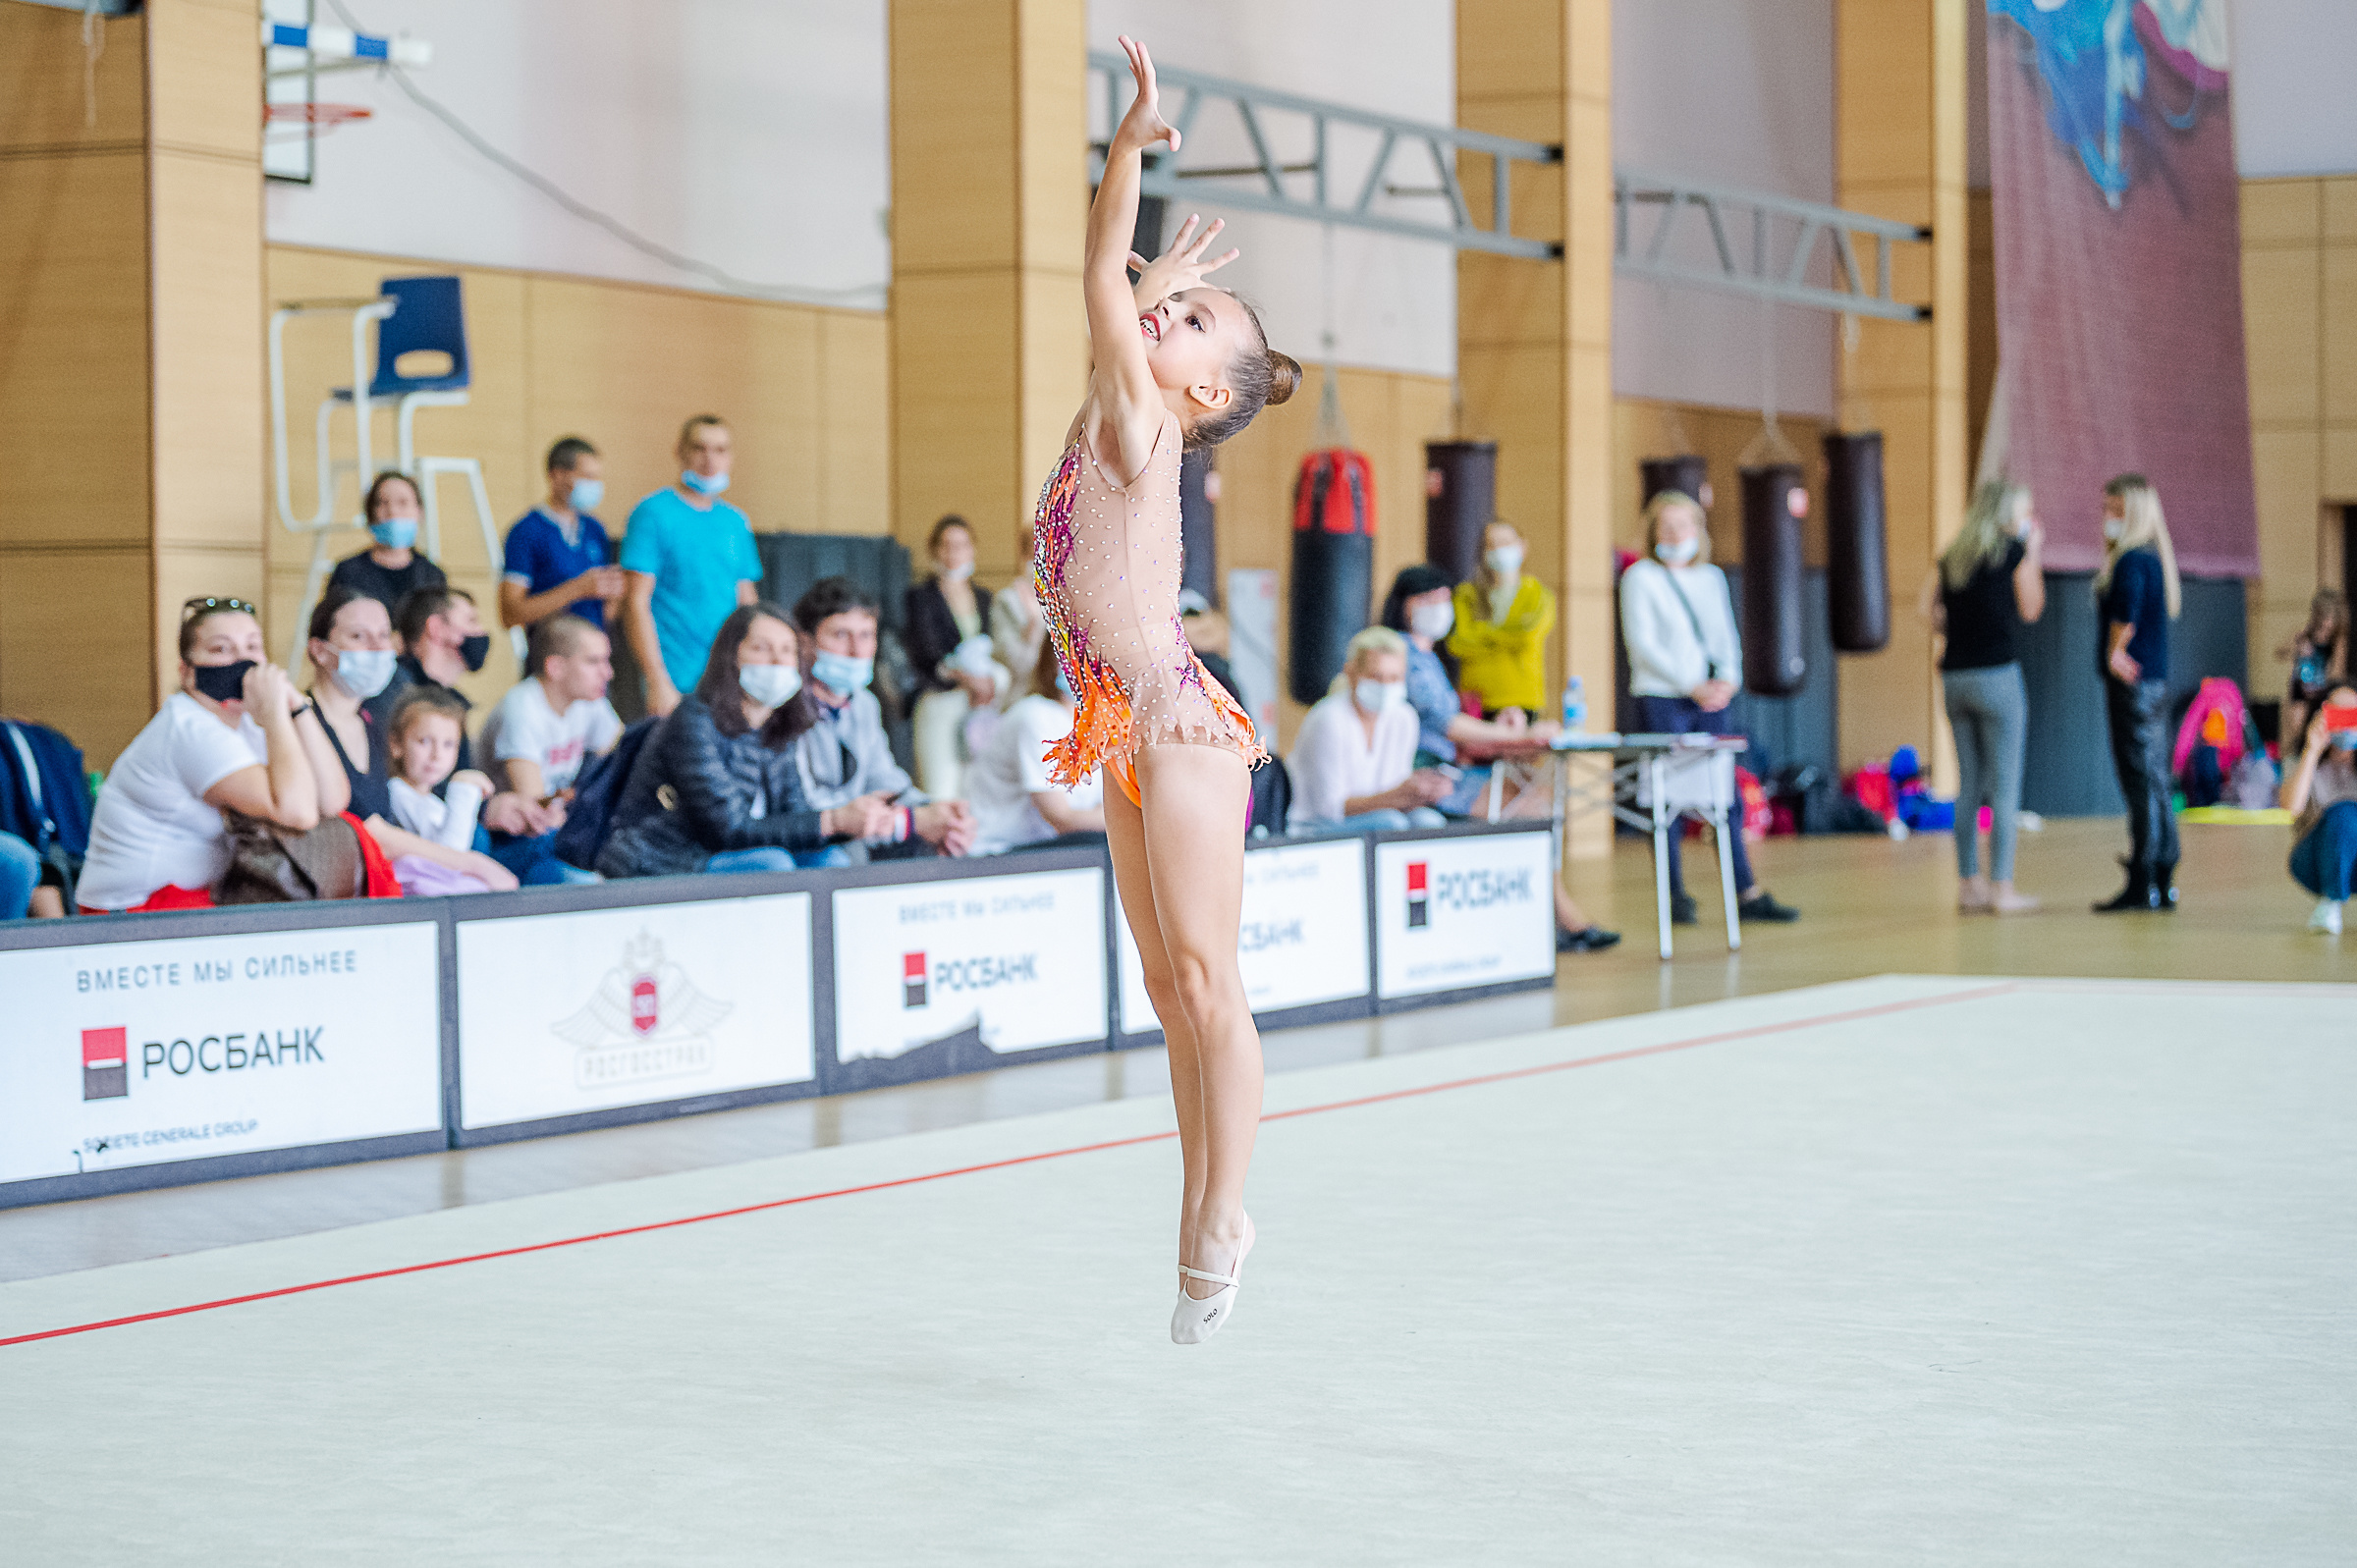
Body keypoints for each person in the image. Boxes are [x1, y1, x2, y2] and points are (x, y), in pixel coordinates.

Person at [1040, 38, 1300, 1342]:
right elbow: (1113, 297)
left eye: (1195, 324)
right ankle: (1198, 1204)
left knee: (1209, 981)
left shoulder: (1147, 428)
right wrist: (1155, 286)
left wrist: (1131, 146)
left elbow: (1096, 280)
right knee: (1164, 989)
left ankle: (1227, 1209)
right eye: (1178, 309)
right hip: (1125, 732)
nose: (1164, 314)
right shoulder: (1123, 410)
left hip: (1181, 729)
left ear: (1202, 392)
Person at [1382, 565, 1620, 952]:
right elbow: (1447, 725)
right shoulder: (1400, 653)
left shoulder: (1430, 656)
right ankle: (1561, 916)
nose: (1439, 608)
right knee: (1532, 805)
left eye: (1444, 600)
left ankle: (1553, 913)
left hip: (1448, 765)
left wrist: (1505, 729)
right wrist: (1518, 735)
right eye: (1429, 600)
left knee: (1533, 796)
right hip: (1424, 773)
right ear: (1405, 604)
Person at [78, 597, 344, 911]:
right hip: (132, 907)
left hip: (200, 898)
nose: (243, 661)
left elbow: (332, 801)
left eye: (252, 648)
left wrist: (297, 707)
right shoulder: (189, 728)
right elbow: (298, 813)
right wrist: (275, 716)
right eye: (221, 649)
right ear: (187, 673)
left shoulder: (244, 723)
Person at [596, 603, 897, 878]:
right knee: (773, 865)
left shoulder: (777, 725)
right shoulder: (692, 719)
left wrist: (853, 823)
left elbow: (794, 815)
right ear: (732, 657)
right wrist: (832, 820)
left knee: (831, 859)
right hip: (660, 857)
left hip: (724, 854)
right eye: (762, 648)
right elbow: (727, 830)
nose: (778, 661)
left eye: (787, 651)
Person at [1618, 491, 1801, 925]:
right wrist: (1691, 684)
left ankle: (1746, 890)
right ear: (1654, 532)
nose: (1677, 534)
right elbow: (1642, 645)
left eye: (1685, 526)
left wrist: (1726, 683)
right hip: (1661, 697)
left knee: (1723, 796)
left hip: (1711, 699)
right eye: (1667, 527)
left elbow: (1724, 638)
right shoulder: (1640, 577)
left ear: (1698, 531)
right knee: (1664, 799)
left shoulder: (1711, 578)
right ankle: (1674, 893)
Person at [304, 586, 517, 892]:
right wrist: (470, 863)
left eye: (383, 635)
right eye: (358, 637)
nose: (377, 648)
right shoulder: (304, 721)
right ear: (319, 650)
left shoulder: (370, 721)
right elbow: (368, 830)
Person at [791, 577, 975, 861]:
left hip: (865, 829)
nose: (857, 650)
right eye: (841, 635)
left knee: (942, 842)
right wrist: (904, 820)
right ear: (805, 642)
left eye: (866, 635)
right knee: (845, 853)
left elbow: (884, 779)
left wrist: (936, 812)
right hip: (812, 839)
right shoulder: (785, 705)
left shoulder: (864, 703)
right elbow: (802, 805)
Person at [1927, 481, 2047, 915]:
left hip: (1956, 678)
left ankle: (1968, 884)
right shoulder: (2011, 552)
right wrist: (2031, 552)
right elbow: (2031, 608)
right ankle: (2002, 887)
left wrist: (1959, 631)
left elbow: (1929, 610)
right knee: (2005, 785)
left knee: (1968, 785)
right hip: (1997, 676)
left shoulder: (1952, 556)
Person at [374, 585, 547, 841]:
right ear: (436, 628)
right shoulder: (394, 694)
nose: (481, 632)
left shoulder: (451, 701)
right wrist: (484, 809)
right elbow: (414, 780)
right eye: (471, 621)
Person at [622, 414, 763, 719]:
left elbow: (747, 600)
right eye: (700, 448)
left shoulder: (735, 521)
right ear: (680, 451)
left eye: (721, 450)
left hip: (729, 677)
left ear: (731, 457)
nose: (710, 459)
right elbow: (636, 602)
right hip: (675, 679)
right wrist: (656, 679)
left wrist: (758, 664)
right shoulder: (653, 513)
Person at [2092, 472, 2182, 913]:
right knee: (2155, 778)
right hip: (2155, 682)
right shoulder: (2153, 559)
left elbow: (2125, 610)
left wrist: (2113, 652)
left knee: (2140, 780)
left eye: (2114, 509)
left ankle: (2144, 874)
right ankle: (2162, 871)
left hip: (2134, 686)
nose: (2106, 518)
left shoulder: (2130, 561)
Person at [477, 616, 622, 885]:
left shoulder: (590, 700)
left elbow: (623, 760)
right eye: (593, 662)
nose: (608, 672)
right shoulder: (522, 708)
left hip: (558, 832)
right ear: (555, 667)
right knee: (597, 883)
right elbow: (537, 811)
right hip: (514, 842)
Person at [1287, 627, 1449, 834]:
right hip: (1317, 825)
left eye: (1394, 678)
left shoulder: (1405, 718)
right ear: (1351, 673)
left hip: (1381, 815)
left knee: (1429, 822)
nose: (1385, 686)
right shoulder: (1328, 719)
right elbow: (1330, 808)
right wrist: (1399, 795)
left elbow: (1395, 790)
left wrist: (1422, 792)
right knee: (1391, 824)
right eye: (1376, 676)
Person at [964, 641, 1106, 855]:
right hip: (1001, 849)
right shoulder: (1037, 715)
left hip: (1051, 846)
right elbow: (1061, 818)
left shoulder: (1099, 726)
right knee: (1107, 842)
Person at [904, 514, 1010, 797]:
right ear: (934, 550)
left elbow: (997, 649)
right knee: (941, 789)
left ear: (972, 549)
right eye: (946, 545)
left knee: (975, 789)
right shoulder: (920, 597)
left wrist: (988, 680)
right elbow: (925, 653)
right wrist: (965, 677)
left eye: (961, 545)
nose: (954, 553)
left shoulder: (985, 597)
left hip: (980, 705)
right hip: (941, 698)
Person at [501, 436, 625, 633]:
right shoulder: (526, 531)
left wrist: (616, 592)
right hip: (549, 651)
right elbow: (510, 614)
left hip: (594, 648)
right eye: (587, 477)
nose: (595, 486)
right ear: (558, 475)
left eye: (597, 477)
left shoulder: (594, 528)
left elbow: (607, 613)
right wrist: (577, 589)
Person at [383, 687, 498, 895]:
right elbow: (450, 857)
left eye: (448, 744)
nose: (437, 755)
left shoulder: (432, 801)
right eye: (424, 741)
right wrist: (462, 790)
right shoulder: (396, 792)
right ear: (396, 744)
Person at [1448, 518, 1555, 718]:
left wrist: (1482, 633)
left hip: (1523, 698)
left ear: (1522, 546)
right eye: (1492, 545)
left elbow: (1527, 637)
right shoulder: (1466, 595)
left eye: (1506, 543)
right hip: (1476, 699)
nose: (1499, 550)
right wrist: (1508, 635)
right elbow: (1459, 642)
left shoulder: (1538, 594)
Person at [2281, 684, 2357, 935]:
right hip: (2314, 859)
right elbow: (2291, 807)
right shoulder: (2306, 760)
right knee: (2343, 813)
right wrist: (2312, 750)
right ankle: (2331, 901)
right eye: (2338, 715)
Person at [328, 472, 448, 613]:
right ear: (370, 513)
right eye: (383, 503)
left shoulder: (432, 576)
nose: (393, 511)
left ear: (419, 511)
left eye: (403, 503)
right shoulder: (348, 572)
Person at [2279, 588, 2348, 752]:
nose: (2327, 622)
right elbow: (2280, 652)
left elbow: (2338, 673)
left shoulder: (2336, 642)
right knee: (2296, 732)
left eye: (2331, 618)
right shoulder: (2304, 633)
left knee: (2320, 733)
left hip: (2322, 690)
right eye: (2324, 617)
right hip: (2300, 689)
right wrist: (2296, 648)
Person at [990, 520, 1047, 709]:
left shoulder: (1068, 599)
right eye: (1034, 552)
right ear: (1024, 555)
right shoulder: (1007, 601)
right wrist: (1031, 629)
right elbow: (1012, 661)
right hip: (1020, 697)